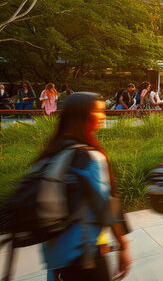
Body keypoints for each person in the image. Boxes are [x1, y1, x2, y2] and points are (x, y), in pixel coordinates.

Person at [38, 92, 131, 280]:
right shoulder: (89, 157)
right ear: (83, 116)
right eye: (98, 111)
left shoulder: (51, 152)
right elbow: (106, 207)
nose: (103, 116)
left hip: (56, 253)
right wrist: (123, 245)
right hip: (85, 255)